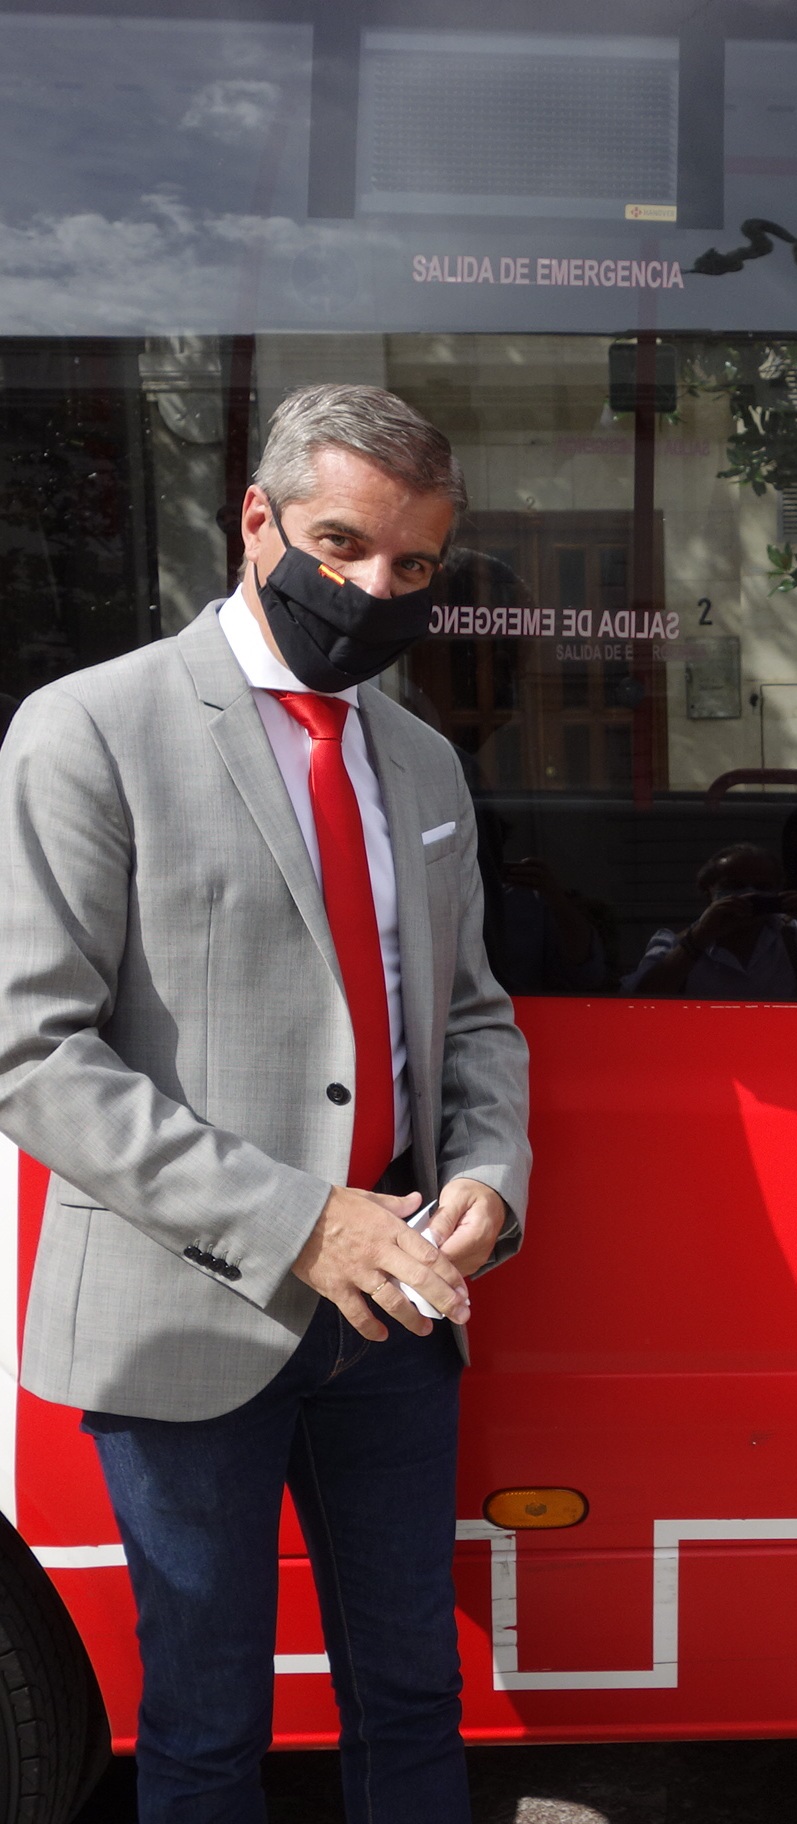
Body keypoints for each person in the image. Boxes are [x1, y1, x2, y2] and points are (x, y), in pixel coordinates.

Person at [0, 383, 533, 1823]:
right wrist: (306, 1226)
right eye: (344, 546)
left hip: (399, 1319)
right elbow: (33, 1051)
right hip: (184, 1318)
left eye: (413, 568)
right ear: (258, 520)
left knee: (416, 1700)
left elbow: (473, 1013)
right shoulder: (88, 730)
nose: (373, 590)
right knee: (204, 1725)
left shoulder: (416, 759)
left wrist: (490, 1172)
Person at [624, 840, 797, 999]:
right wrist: (700, 938)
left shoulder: (796, 936)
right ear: (707, 892)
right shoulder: (674, 943)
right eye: (735, 885)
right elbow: (639, 1000)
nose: (749, 895)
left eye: (763, 888)